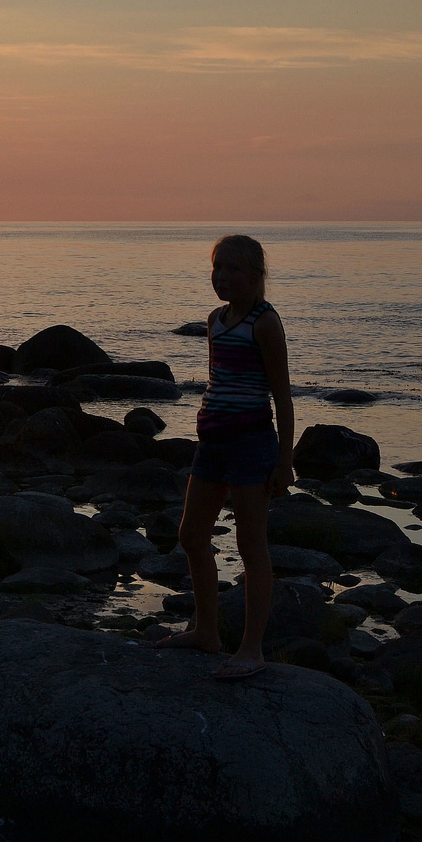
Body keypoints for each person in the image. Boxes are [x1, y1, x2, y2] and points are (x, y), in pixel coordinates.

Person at [152, 235, 294, 680]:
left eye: (233, 269)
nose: (222, 276)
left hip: (252, 445)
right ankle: (207, 632)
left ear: (255, 277)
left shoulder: (265, 324)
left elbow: (283, 397)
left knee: (251, 545)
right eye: (217, 268)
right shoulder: (215, 320)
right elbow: (219, 380)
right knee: (192, 535)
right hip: (212, 443)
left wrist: (284, 461)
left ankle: (252, 649)